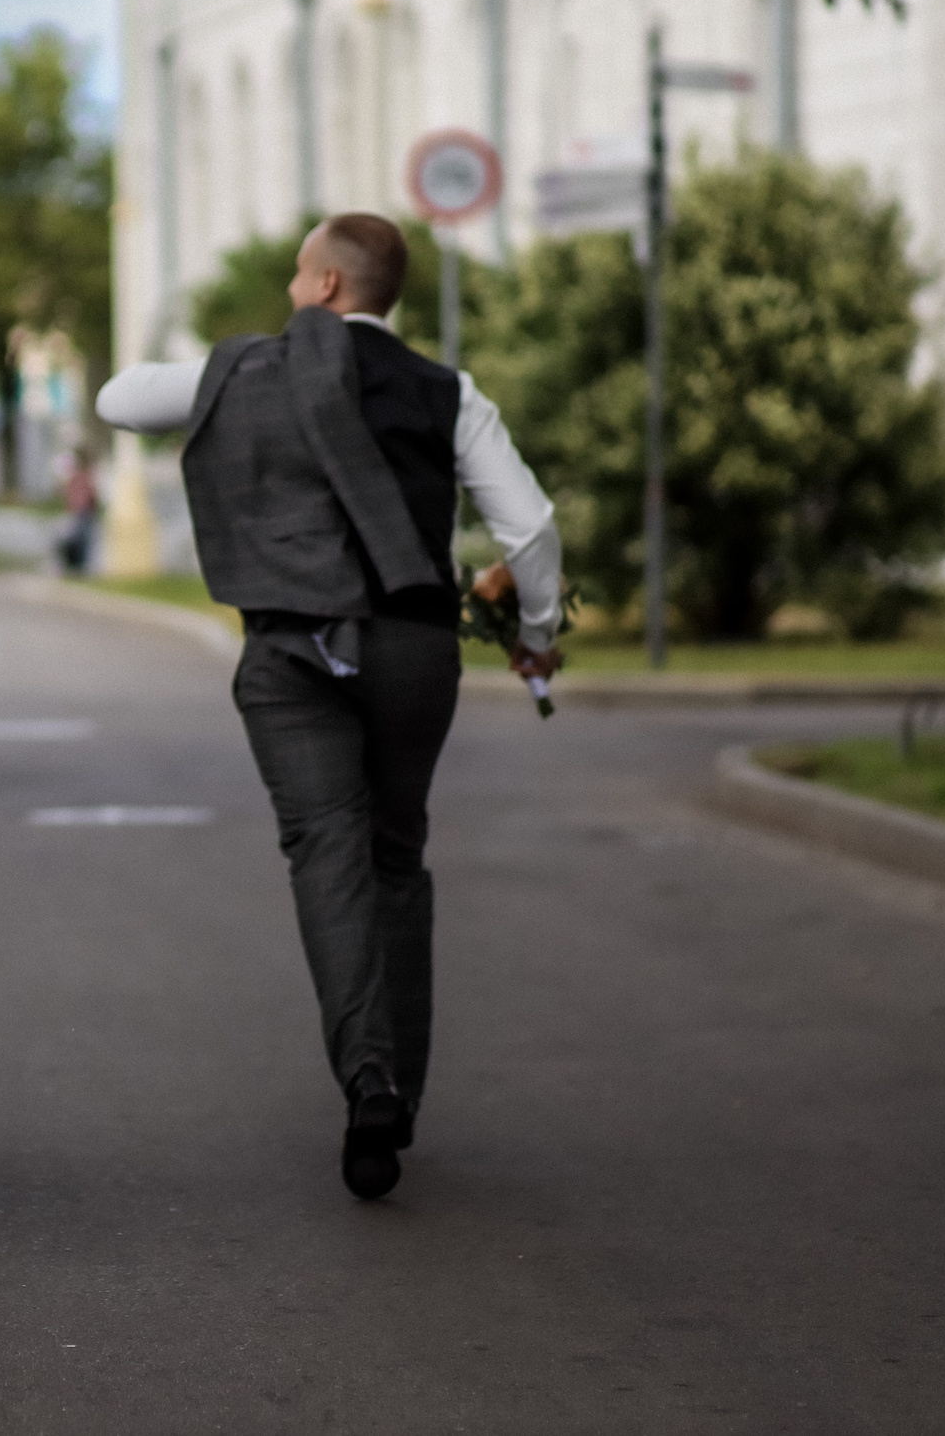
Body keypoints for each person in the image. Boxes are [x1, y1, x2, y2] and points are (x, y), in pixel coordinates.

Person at [94, 213, 561, 1201]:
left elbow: (117, 398)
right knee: (397, 856)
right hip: (412, 645)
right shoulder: (449, 391)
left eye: (299, 276)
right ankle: (401, 1095)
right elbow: (528, 524)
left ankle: (368, 1077)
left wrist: (233, 366)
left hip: (289, 651)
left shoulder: (244, 369)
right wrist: (541, 631)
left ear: (323, 287)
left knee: (325, 853)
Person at [53, 448, 100, 575]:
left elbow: (87, 497)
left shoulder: (79, 479)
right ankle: (77, 568)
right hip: (81, 514)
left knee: (82, 542)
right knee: (79, 542)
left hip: (83, 513)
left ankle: (80, 568)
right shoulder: (78, 479)